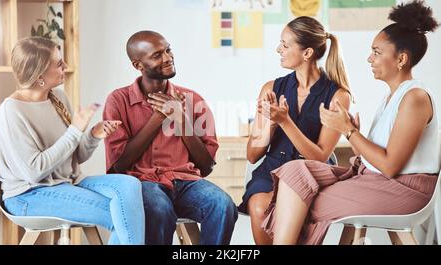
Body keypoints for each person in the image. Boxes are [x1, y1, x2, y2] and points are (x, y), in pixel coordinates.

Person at [263, 0, 440, 245]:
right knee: (295, 171)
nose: (370, 58)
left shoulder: (415, 98)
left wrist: (348, 131)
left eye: (377, 52)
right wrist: (352, 131)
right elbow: (376, 158)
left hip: (404, 190)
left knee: (301, 199)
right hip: (376, 180)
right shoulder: (393, 96)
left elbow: (389, 167)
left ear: (401, 59)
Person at [0, 37, 145, 245]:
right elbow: (34, 171)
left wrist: (93, 135)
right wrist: (75, 131)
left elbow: (75, 158)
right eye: (58, 64)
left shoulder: (57, 96)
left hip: (69, 182)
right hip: (30, 195)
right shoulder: (11, 111)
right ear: (39, 76)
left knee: (129, 185)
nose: (65, 67)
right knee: (124, 215)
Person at [103, 30, 238, 245]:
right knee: (158, 209)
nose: (168, 58)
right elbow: (119, 166)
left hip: (187, 183)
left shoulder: (194, 100)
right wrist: (159, 117)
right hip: (143, 183)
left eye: (168, 50)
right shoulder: (118, 101)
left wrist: (180, 118)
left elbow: (206, 166)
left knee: (223, 205)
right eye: (157, 55)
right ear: (138, 65)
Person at [238, 16, 351, 244]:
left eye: (285, 45)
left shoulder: (338, 95)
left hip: (311, 174)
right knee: (259, 206)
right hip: (271, 171)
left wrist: (285, 121)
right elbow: (252, 155)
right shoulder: (271, 88)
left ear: (307, 53)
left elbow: (319, 156)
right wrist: (271, 121)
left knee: (294, 215)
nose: (278, 49)